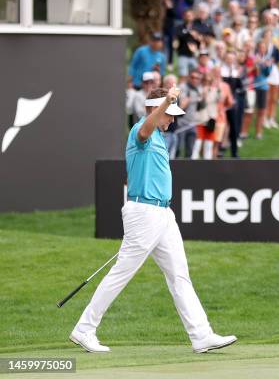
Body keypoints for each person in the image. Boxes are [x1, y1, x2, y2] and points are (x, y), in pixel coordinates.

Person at [69, 86, 237, 354]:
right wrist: (166, 101)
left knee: (179, 274)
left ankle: (201, 335)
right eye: (168, 113)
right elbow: (145, 130)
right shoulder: (140, 130)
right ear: (154, 110)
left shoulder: (159, 136)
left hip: (163, 215)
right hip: (145, 214)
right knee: (121, 274)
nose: (171, 119)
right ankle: (85, 329)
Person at [177, 70, 202, 157]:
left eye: (197, 78)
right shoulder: (183, 87)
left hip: (192, 124)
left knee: (190, 150)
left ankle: (187, 169)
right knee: (178, 149)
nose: (194, 80)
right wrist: (196, 99)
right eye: (192, 77)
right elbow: (183, 103)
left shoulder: (199, 88)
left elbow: (201, 104)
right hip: (181, 123)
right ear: (188, 77)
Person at [176, 10, 201, 83]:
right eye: (187, 16)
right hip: (183, 55)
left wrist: (197, 38)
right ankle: (180, 93)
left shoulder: (196, 28)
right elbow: (178, 36)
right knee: (183, 75)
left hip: (193, 56)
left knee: (194, 76)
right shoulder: (180, 27)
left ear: (193, 17)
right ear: (184, 17)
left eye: (190, 16)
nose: (188, 18)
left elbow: (199, 42)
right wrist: (189, 33)